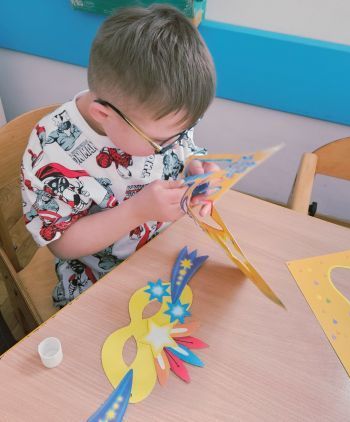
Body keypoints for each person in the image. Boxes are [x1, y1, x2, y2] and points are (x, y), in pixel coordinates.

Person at [20, 5, 218, 308]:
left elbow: (181, 148)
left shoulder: (152, 119)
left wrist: (194, 164)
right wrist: (137, 211)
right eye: (160, 141)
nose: (175, 144)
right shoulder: (51, 152)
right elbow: (61, 245)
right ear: (104, 114)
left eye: (185, 130)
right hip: (98, 278)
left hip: (165, 248)